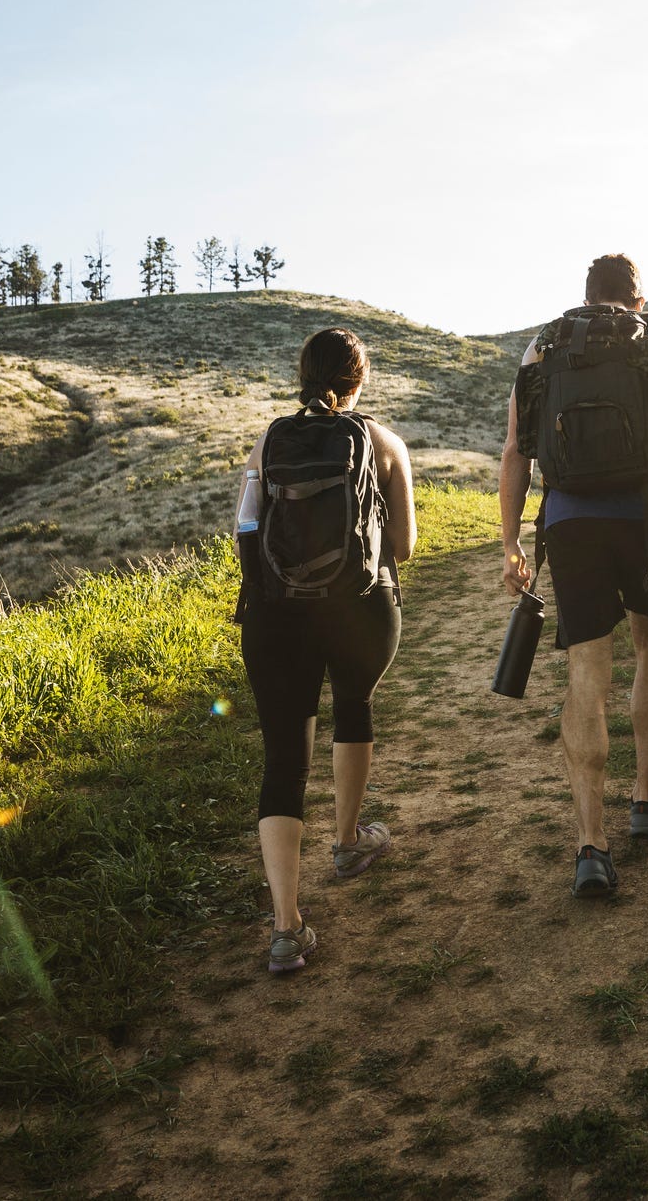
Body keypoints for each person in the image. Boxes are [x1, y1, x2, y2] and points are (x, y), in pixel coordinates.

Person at [499, 254, 648, 896]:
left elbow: (516, 449)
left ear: (587, 297)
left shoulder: (545, 343)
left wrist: (511, 540)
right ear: (638, 299)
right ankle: (645, 802)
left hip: (570, 520)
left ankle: (590, 846)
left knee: (586, 666)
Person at [237, 328, 416, 971]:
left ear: (303, 376)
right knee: (354, 705)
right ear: (359, 380)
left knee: (284, 756)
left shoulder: (267, 443)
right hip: (360, 609)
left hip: (275, 616)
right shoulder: (383, 442)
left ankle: (286, 928)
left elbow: (246, 528)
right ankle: (346, 843)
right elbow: (405, 544)